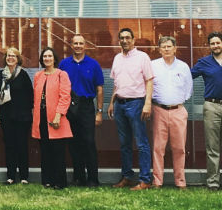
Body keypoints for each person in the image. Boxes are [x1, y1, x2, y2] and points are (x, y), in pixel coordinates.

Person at [191, 31, 222, 191]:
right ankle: (212, 183)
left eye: (218, 43)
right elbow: (186, 76)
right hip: (211, 106)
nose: (215, 45)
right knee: (212, 147)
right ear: (209, 46)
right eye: (212, 43)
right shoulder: (204, 62)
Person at [107, 28, 154, 191]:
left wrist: (148, 103)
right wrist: (112, 102)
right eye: (122, 38)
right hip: (120, 104)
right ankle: (127, 176)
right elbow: (116, 83)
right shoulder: (117, 58)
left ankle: (145, 180)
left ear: (133, 40)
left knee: (141, 143)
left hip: (136, 104)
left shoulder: (143, 57)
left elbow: (149, 81)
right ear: (119, 41)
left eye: (128, 38)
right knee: (124, 143)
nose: (125, 41)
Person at [59, 33, 104, 187]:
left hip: (86, 106)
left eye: (81, 43)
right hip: (69, 107)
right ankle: (79, 177)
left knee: (89, 142)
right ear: (71, 45)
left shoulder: (93, 64)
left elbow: (99, 89)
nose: (78, 46)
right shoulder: (64, 64)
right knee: (73, 143)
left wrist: (99, 111)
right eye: (75, 43)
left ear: (85, 46)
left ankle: (93, 179)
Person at [150, 36, 192, 189]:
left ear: (175, 48)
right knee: (158, 148)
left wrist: (177, 101)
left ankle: (180, 182)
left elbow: (189, 89)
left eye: (169, 46)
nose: (166, 49)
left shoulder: (183, 67)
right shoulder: (152, 65)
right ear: (159, 49)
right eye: (163, 47)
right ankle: (157, 181)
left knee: (179, 148)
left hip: (178, 111)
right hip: (158, 110)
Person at [32, 46, 72, 189]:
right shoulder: (38, 75)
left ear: (54, 59)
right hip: (41, 118)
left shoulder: (62, 74)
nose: (47, 58)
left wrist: (58, 116)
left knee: (58, 152)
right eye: (44, 56)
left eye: (49, 56)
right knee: (45, 151)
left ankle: (59, 182)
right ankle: (47, 180)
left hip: (56, 117)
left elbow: (65, 96)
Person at [0, 47, 33, 185]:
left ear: (18, 59)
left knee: (22, 145)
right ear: (5, 58)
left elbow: (30, 95)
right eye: (8, 55)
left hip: (22, 116)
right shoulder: (0, 74)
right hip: (6, 115)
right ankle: (10, 176)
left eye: (14, 56)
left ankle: (23, 177)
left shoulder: (23, 74)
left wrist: (30, 113)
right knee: (9, 146)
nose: (11, 58)